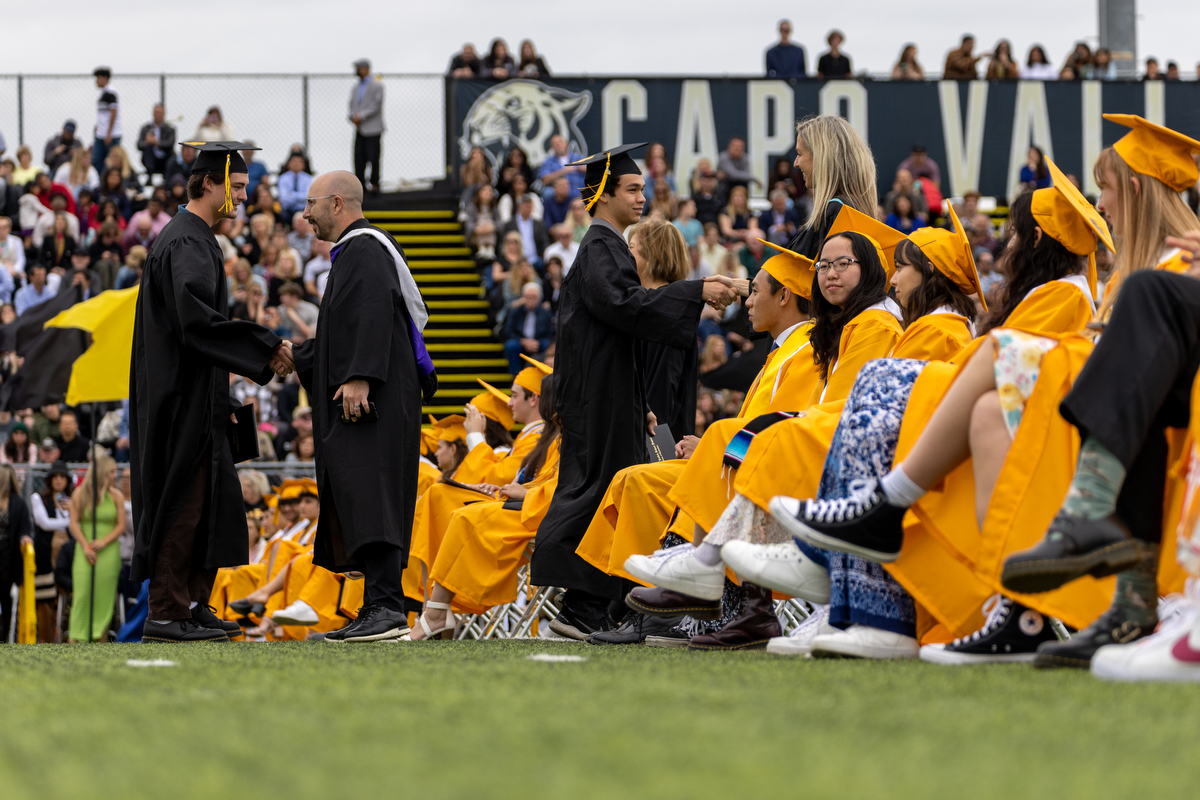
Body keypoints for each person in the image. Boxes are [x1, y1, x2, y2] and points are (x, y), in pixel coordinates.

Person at [530, 142, 737, 640]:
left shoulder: (606, 246)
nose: (643, 197)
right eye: (632, 189)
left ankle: (590, 607)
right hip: (600, 400)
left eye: (643, 188)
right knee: (599, 493)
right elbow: (628, 307)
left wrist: (639, 402)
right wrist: (696, 289)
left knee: (606, 493)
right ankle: (583, 607)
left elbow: (619, 324)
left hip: (610, 395)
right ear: (603, 194)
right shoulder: (601, 248)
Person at [131, 141, 292, 644]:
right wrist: (265, 346)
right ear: (209, 184)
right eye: (237, 187)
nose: (244, 196)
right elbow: (196, 321)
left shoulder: (195, 238)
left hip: (199, 393)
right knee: (183, 501)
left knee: (212, 500)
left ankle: (195, 604)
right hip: (181, 398)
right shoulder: (186, 241)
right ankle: (166, 612)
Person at [294, 170, 436, 642]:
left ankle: (386, 606)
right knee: (365, 493)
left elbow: (372, 312)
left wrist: (360, 374)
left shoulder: (365, 249)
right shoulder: (355, 252)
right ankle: (379, 604)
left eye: (311, 203)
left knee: (375, 494)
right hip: (372, 396)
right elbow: (341, 334)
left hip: (372, 396)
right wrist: (294, 356)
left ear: (337, 203)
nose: (305, 214)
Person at [67, 449, 126, 642]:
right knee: (82, 594)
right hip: (84, 550)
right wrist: (86, 546)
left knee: (104, 596)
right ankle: (76, 638)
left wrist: (103, 541)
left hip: (109, 552)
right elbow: (73, 523)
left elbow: (121, 526)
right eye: (112, 471)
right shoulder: (80, 494)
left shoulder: (116, 496)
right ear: (102, 472)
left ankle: (100, 637)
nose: (115, 475)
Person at [0, 464, 33, 643]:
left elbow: (25, 527)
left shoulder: (17, 503)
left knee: (5, 596)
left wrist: (25, 537)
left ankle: (5, 635)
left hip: (7, 555)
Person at [349, 58, 384, 194]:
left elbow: (376, 105)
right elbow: (352, 104)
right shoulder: (356, 87)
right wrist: (352, 116)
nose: (357, 71)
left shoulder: (377, 85)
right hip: (360, 129)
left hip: (373, 129)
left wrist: (361, 116)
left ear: (366, 69)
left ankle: (374, 184)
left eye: (359, 68)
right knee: (359, 158)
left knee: (373, 157)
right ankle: (360, 186)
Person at [503, 282, 553, 373]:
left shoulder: (545, 313)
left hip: (539, 342)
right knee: (510, 345)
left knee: (548, 345)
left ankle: (543, 373)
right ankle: (516, 375)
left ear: (539, 298)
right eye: (528, 297)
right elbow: (508, 331)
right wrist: (523, 341)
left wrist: (537, 342)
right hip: (520, 342)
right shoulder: (515, 312)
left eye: (533, 297)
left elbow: (550, 332)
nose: (530, 299)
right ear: (523, 297)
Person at [538, 135, 585, 203]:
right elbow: (545, 179)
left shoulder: (578, 158)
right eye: (555, 143)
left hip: (578, 191)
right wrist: (564, 170)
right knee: (547, 192)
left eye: (560, 142)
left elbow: (591, 170)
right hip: (558, 197)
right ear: (552, 147)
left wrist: (577, 168)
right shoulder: (548, 161)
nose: (558, 145)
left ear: (566, 144)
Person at [91, 68, 121, 174]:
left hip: (110, 135)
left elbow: (113, 112)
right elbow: (104, 114)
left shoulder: (111, 92)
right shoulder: (103, 93)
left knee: (111, 162)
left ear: (105, 78)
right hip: (101, 133)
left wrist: (109, 133)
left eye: (98, 78)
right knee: (96, 161)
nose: (96, 81)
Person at [137, 104, 176, 178]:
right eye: (156, 112)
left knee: (171, 157)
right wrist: (147, 142)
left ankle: (167, 179)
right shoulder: (145, 128)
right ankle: (149, 176)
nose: (158, 115)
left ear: (164, 114)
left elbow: (170, 144)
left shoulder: (170, 129)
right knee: (148, 148)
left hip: (165, 158)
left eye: (160, 112)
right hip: (151, 159)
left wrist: (157, 143)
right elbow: (139, 145)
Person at [278, 153, 312, 220]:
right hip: (288, 209)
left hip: (303, 209)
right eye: (294, 161)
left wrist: (291, 194)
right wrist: (300, 198)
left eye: (299, 162)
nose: (296, 164)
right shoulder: (282, 178)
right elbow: (284, 198)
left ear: (303, 165)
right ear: (289, 164)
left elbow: (307, 196)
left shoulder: (308, 179)